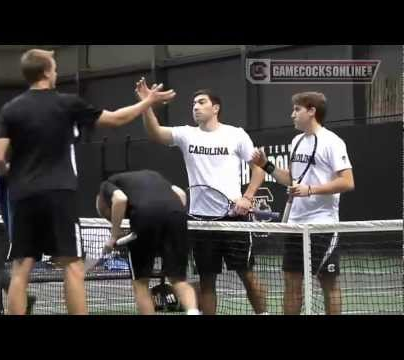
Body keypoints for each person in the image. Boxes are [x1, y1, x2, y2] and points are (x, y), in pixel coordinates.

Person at [0, 49, 176, 315]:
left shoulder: (10, 109)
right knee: (73, 267)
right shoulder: (67, 103)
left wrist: (10, 170)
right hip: (58, 194)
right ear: (45, 72)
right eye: (53, 67)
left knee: (21, 270)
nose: (56, 72)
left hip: (23, 196)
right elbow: (116, 119)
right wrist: (147, 102)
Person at [136, 79, 268, 315]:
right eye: (193, 103)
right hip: (200, 221)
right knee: (207, 282)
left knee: (247, 274)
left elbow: (259, 167)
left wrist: (247, 198)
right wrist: (147, 104)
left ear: (215, 108)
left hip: (233, 220)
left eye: (201, 102)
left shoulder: (235, 135)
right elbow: (155, 133)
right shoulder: (186, 135)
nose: (195, 107)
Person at [251, 92, 355, 315]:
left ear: (311, 111)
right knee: (291, 282)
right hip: (296, 225)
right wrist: (266, 165)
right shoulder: (296, 141)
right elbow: (292, 178)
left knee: (328, 283)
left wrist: (310, 190)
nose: (292, 115)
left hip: (322, 225)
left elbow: (347, 182)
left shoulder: (333, 142)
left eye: (297, 110)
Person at [96, 170, 199, 315]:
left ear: (103, 202)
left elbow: (119, 200)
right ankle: (193, 312)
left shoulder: (106, 185)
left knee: (140, 283)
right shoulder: (154, 176)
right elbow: (180, 193)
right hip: (177, 214)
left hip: (145, 215)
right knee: (178, 279)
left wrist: (113, 236)